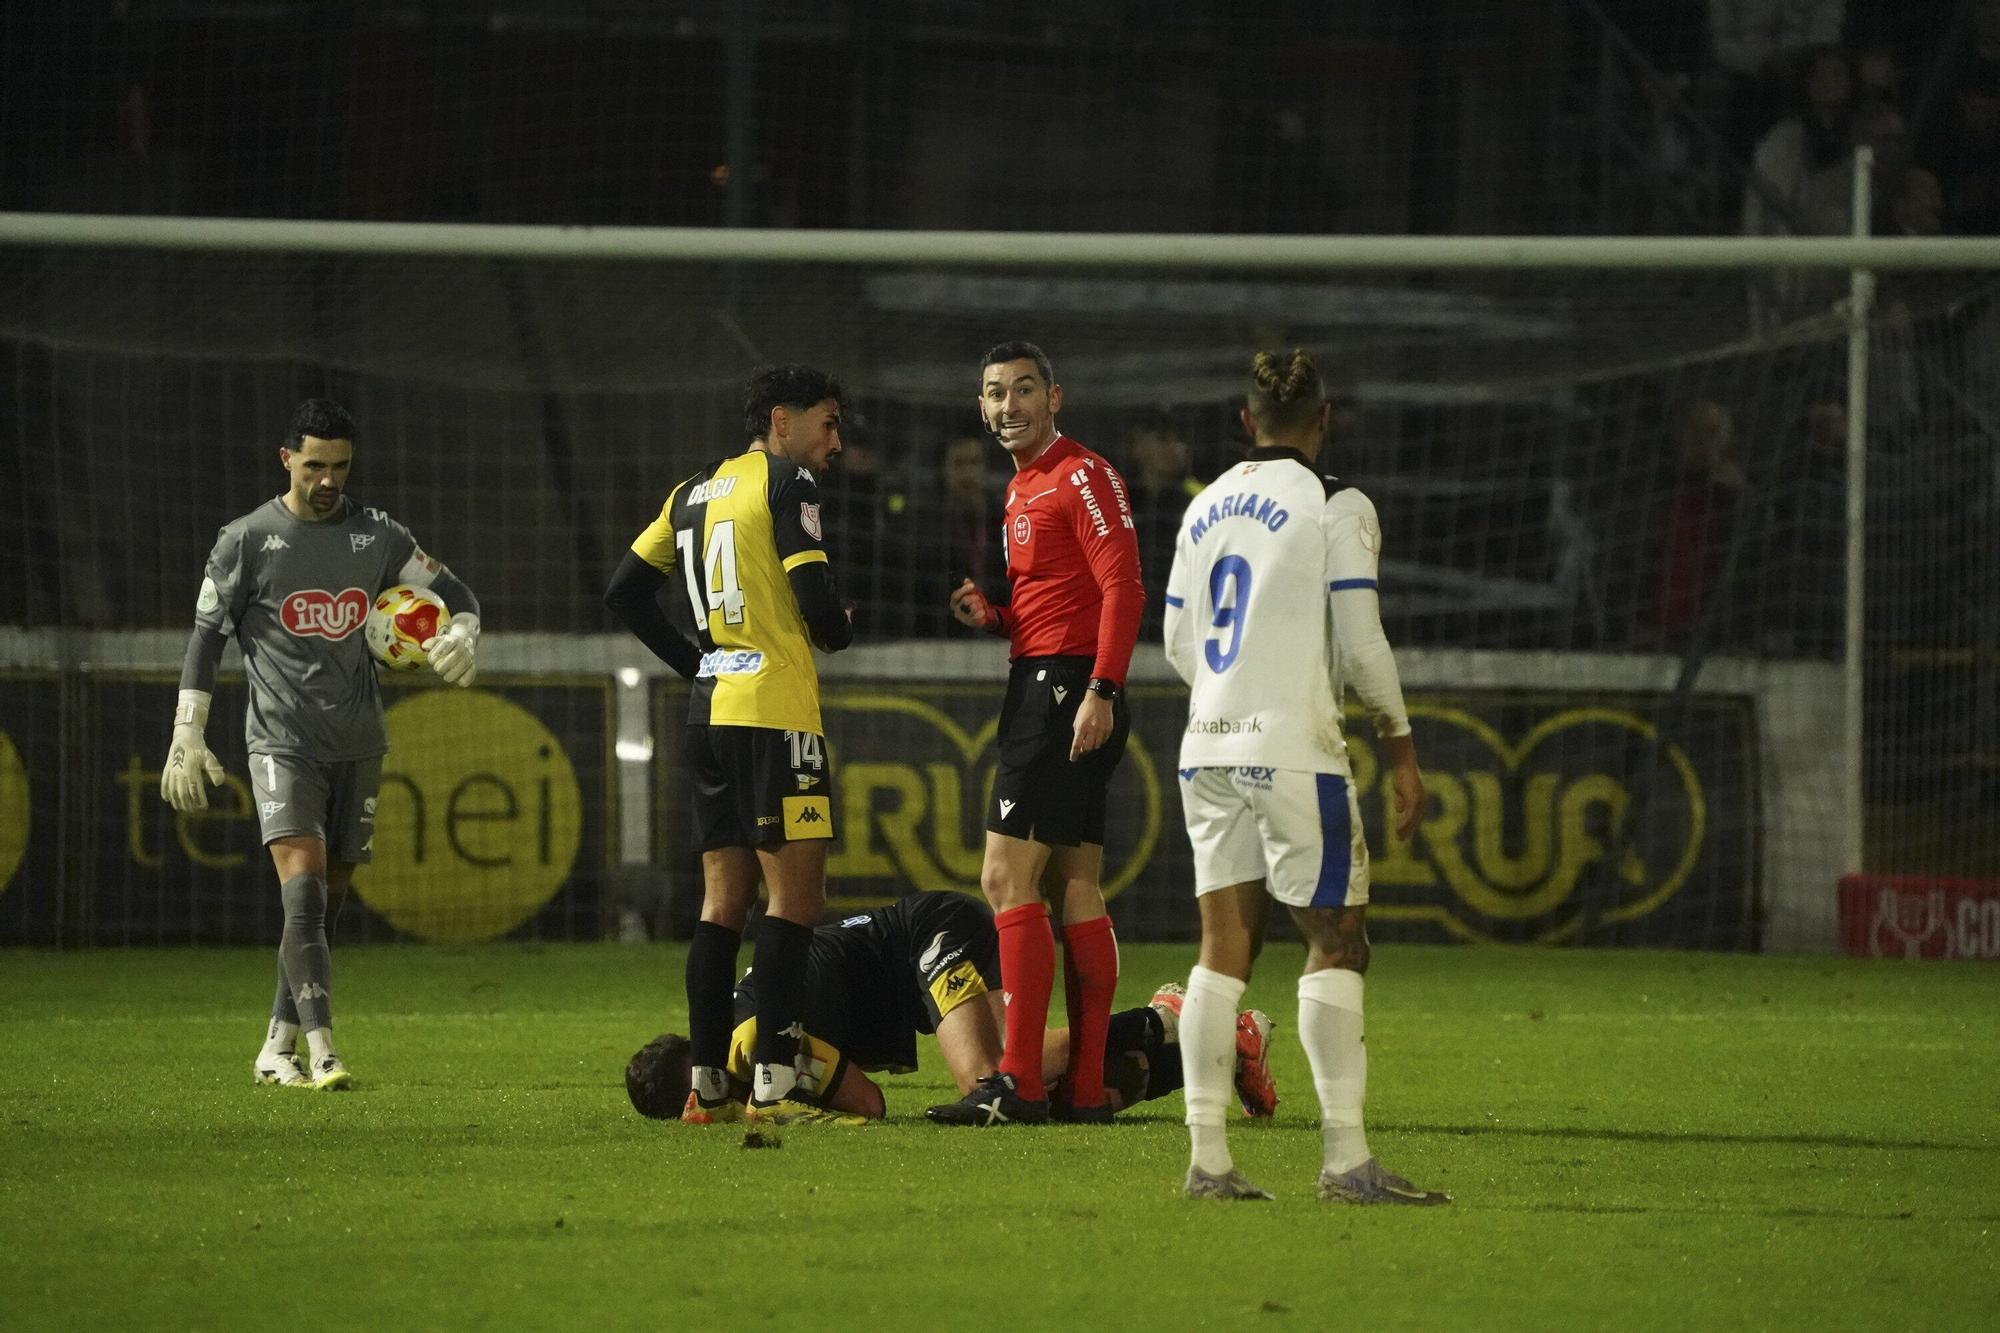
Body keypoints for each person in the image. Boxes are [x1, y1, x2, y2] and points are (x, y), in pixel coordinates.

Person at [1162, 349, 1447, 1205]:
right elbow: (1360, 643)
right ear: (1325, 420)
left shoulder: (1204, 506)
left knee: (1223, 950)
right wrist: (1399, 748)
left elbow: (1178, 640)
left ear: (1246, 423)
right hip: (1293, 747)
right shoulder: (1336, 504)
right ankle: (1346, 1160)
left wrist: (1231, 692)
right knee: (1337, 941)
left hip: (1206, 742)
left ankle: (1208, 1162)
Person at [160, 398, 482, 1092]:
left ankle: (275, 1047)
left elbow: (456, 592)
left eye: (339, 466)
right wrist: (188, 729)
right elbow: (206, 638)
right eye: (314, 466)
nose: (329, 479)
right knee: (302, 899)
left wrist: (463, 631)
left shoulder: (379, 536)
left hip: (359, 742)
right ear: (286, 460)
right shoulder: (245, 539)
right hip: (281, 743)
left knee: (324, 908)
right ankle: (324, 1048)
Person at [603, 364, 855, 1126]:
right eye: (827, 423)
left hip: (708, 711)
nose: (835, 442)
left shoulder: (690, 493)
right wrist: (839, 623)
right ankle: (776, 1084)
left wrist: (696, 662)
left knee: (721, 901)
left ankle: (708, 1082)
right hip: (774, 711)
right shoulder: (788, 485)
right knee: (796, 900)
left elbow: (623, 592)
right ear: (782, 421)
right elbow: (816, 604)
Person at [928, 341, 1145, 1127]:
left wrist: (1101, 689)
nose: (1008, 404)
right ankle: (1082, 1089)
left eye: (1023, 389)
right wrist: (1000, 619)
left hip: (1066, 692)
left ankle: (1018, 1083)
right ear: (980, 407)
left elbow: (1123, 582)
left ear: (1057, 396)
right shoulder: (1025, 485)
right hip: (1058, 678)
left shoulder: (1081, 474)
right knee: (1073, 884)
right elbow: (1066, 601)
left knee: (1003, 878)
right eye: (994, 393)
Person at [623, 892, 1279, 1123]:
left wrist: (780, 1108)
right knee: (1035, 1099)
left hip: (927, 933)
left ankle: (1169, 1015)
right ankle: (1216, 1054)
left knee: (991, 1082)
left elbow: (868, 1103)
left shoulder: (756, 1042)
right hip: (917, 963)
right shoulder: (743, 1035)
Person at [1123, 408, 1204, 639]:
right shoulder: (1120, 501)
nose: (1176, 448)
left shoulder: (1200, 500)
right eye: (1163, 439)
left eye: (1180, 440)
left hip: (1183, 623)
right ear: (1137, 448)